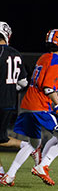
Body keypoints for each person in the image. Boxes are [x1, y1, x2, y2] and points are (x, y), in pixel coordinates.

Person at [0, 29, 58, 187]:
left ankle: (9, 176)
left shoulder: (45, 57)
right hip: (40, 106)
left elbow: (50, 77)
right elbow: (49, 87)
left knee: (33, 144)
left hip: (27, 105)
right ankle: (43, 166)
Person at [0, 21, 30, 178]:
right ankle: (26, 146)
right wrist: (10, 90)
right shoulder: (16, 53)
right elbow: (23, 82)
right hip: (10, 103)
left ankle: (27, 147)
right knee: (1, 138)